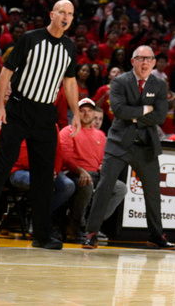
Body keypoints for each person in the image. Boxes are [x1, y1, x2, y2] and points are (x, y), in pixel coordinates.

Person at [0, 0, 80, 250]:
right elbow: (6, 71)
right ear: (52, 14)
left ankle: (42, 235)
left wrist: (76, 114)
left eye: (70, 14)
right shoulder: (30, 38)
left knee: (44, 176)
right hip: (19, 108)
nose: (66, 17)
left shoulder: (70, 47)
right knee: (2, 167)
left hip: (45, 114)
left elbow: (69, 83)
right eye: (62, 12)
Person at [82, 45, 174, 250]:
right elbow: (119, 110)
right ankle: (91, 233)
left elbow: (159, 116)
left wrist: (134, 117)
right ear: (132, 61)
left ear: (153, 62)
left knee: (153, 192)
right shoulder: (120, 81)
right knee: (105, 186)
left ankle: (156, 236)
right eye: (140, 58)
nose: (144, 62)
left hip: (146, 145)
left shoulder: (159, 85)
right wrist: (144, 110)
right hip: (119, 143)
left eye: (148, 59)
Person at [60, 97, 127, 243]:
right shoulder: (68, 131)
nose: (86, 113)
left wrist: (104, 167)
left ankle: (93, 223)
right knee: (87, 184)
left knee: (120, 188)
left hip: (96, 174)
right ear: (76, 113)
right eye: (82, 111)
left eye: (89, 111)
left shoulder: (101, 135)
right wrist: (80, 171)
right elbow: (65, 157)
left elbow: (105, 158)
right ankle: (78, 225)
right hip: (73, 173)